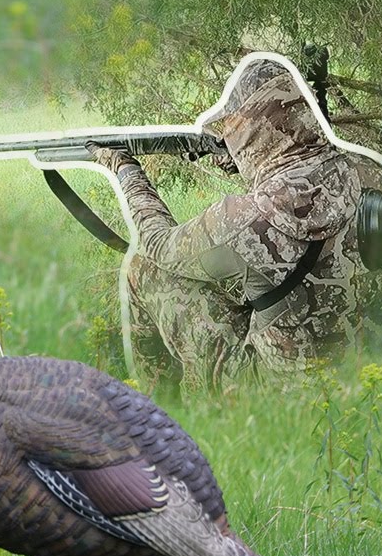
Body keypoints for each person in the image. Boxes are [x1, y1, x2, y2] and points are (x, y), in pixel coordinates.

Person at [90, 58, 363, 386]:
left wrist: (126, 170)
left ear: (250, 133)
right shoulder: (366, 173)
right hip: (364, 368)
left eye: (234, 132)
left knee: (142, 268)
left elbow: (159, 245)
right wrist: (249, 164)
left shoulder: (244, 219)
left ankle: (159, 414)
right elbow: (303, 183)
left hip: (278, 393)